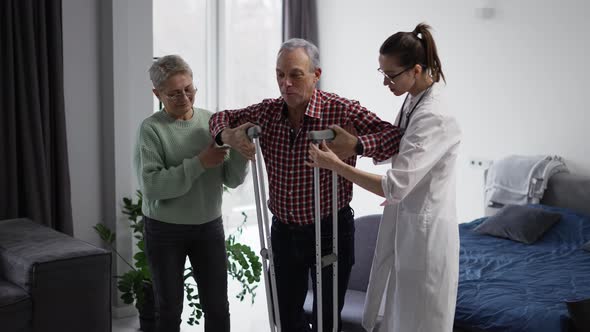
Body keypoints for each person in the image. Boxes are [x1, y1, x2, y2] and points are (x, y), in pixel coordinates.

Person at [209, 39, 403, 332]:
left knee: (326, 320)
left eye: (295, 74)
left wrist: (358, 144)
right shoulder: (268, 112)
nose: (286, 83)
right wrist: (227, 136)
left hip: (330, 230)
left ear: (316, 74)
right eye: (279, 74)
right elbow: (219, 118)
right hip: (284, 231)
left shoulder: (342, 110)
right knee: (285, 318)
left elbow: (392, 138)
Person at [306, 23, 461, 332]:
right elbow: (401, 145)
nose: (386, 83)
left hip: (426, 237)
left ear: (415, 70)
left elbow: (395, 185)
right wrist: (356, 143)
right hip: (407, 224)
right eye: (382, 74)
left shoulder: (435, 115)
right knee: (398, 316)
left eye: (391, 76)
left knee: (420, 321)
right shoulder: (414, 99)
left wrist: (336, 164)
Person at [134, 55, 249, 332]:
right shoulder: (151, 130)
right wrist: (200, 163)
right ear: (157, 93)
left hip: (208, 227)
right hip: (164, 231)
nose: (184, 97)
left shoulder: (212, 122)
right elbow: (151, 186)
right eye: (174, 93)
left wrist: (242, 154)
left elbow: (232, 180)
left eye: (188, 89)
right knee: (170, 310)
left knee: (218, 307)